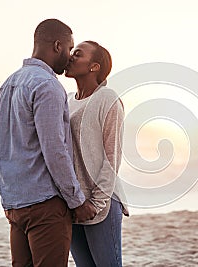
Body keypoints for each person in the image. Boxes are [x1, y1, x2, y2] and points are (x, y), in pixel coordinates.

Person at [0, 19, 96, 267]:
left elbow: (1, 149)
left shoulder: (8, 84)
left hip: (14, 204)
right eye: (69, 49)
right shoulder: (48, 86)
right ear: (57, 45)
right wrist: (77, 201)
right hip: (44, 206)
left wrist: (8, 199)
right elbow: (55, 151)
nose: (70, 56)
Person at [65, 41, 129, 267]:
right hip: (74, 203)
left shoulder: (107, 98)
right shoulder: (67, 100)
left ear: (94, 67)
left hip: (100, 203)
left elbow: (112, 158)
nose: (70, 56)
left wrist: (96, 203)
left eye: (78, 54)